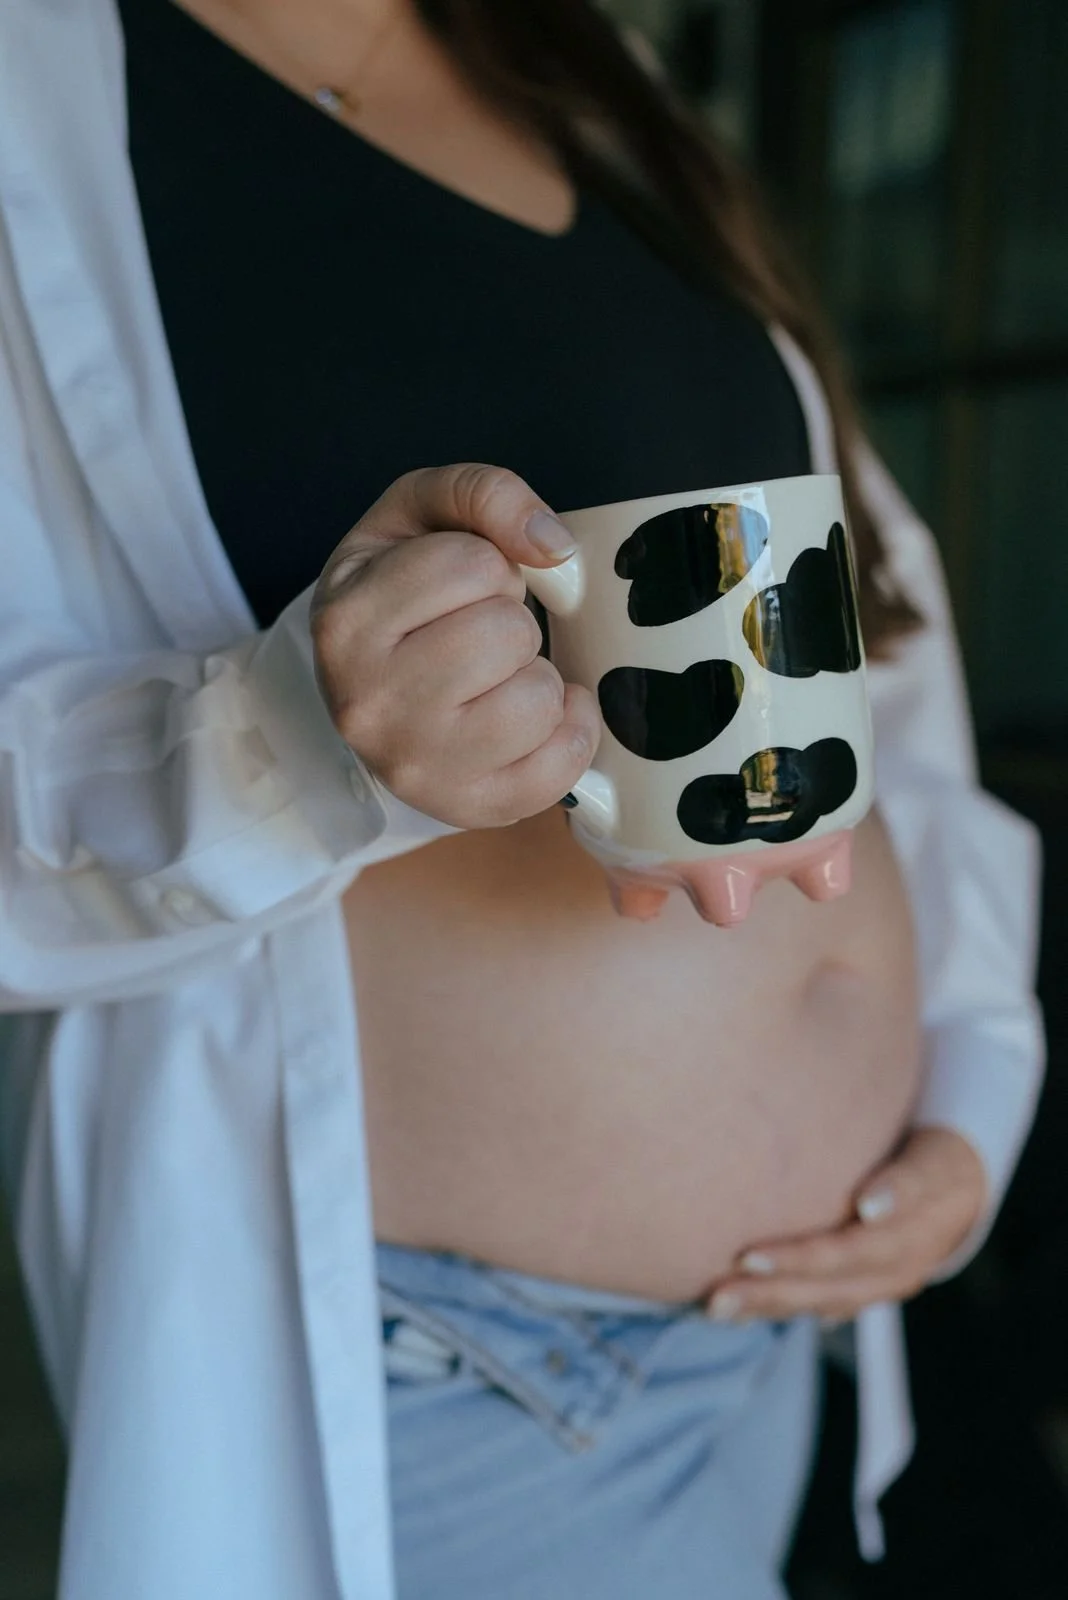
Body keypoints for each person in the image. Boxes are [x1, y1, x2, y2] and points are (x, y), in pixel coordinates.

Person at [0, 2, 1043, 1597]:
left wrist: (969, 1089)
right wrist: (287, 738)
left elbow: (887, 677)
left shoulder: (589, 70)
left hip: (787, 1340)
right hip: (458, 1373)